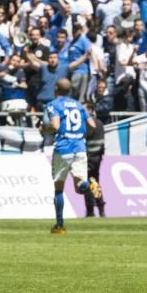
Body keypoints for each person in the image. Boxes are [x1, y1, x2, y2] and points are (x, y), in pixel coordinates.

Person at [40, 79, 101, 234]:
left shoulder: (54, 104)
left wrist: (43, 130)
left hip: (64, 148)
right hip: (80, 148)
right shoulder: (79, 105)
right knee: (80, 186)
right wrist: (80, 135)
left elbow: (54, 125)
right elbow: (93, 125)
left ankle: (59, 226)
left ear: (55, 89)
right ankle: (90, 185)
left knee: (59, 188)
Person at [83, 102, 106, 219]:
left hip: (89, 158)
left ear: (91, 110)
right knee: (95, 183)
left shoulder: (88, 124)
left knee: (87, 184)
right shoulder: (100, 123)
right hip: (97, 158)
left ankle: (90, 210)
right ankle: (101, 208)